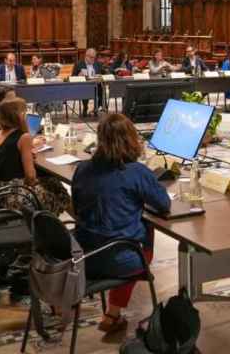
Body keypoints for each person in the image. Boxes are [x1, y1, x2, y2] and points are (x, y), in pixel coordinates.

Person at [72, 113, 171, 334]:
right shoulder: (136, 172)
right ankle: (113, 312)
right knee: (142, 232)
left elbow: (77, 208)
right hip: (121, 260)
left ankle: (113, 313)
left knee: (119, 233)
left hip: (83, 255)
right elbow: (164, 204)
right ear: (131, 139)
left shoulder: (82, 169)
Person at [0, 97, 70, 216]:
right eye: (25, 111)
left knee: (52, 181)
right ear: (20, 115)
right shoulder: (24, 138)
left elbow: (8, 158)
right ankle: (48, 226)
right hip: (15, 196)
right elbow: (30, 177)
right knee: (58, 190)